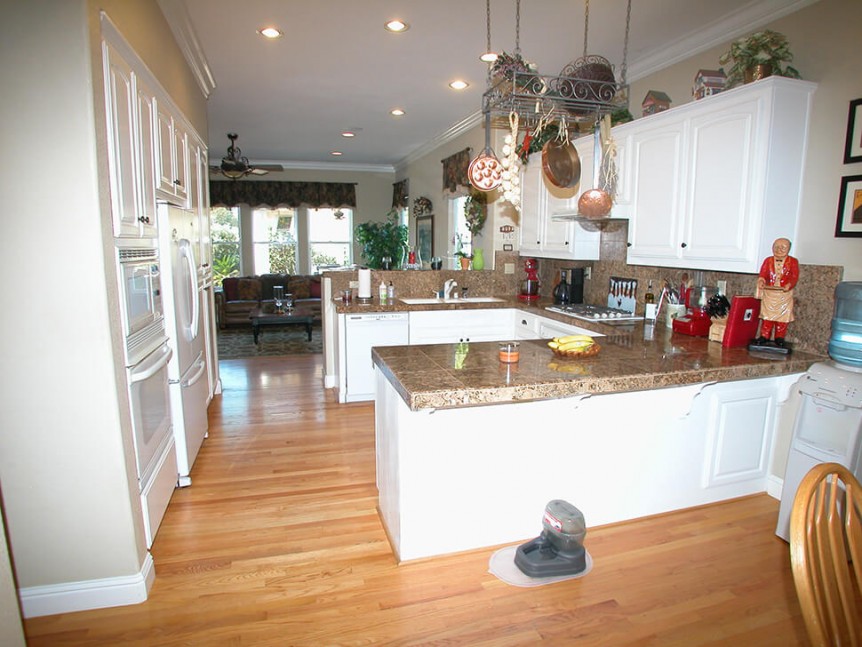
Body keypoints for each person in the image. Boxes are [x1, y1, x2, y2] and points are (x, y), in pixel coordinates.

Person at [755, 237, 799, 346]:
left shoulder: (793, 262)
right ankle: (764, 336)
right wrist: (761, 281)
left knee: (782, 317)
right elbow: (763, 273)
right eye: (776, 247)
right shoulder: (768, 260)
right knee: (767, 316)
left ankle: (779, 337)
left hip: (783, 294)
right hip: (770, 292)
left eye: (783, 247)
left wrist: (789, 284)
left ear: (788, 249)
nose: (779, 249)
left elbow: (794, 276)